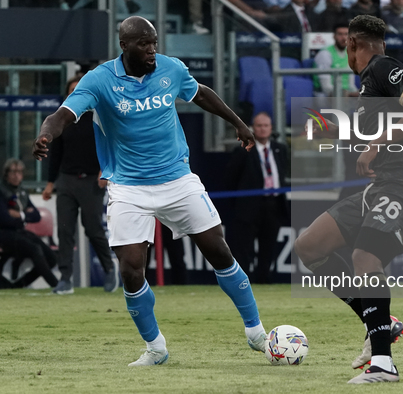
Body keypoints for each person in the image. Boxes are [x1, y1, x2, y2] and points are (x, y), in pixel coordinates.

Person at [33, 16, 267, 367]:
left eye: (154, 43)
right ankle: (155, 347)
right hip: (129, 187)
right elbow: (62, 115)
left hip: (177, 178)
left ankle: (256, 332)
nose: (152, 51)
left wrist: (238, 123)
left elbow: (200, 93)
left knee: (218, 249)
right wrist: (46, 134)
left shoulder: (170, 69)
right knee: (130, 269)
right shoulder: (99, 81)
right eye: (144, 44)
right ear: (124, 45)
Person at [294, 15, 403, 384]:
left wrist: (375, 146)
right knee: (309, 247)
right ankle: (379, 322)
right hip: (383, 185)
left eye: (347, 47)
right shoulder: (369, 83)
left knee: (365, 258)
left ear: (352, 45)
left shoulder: (383, 67)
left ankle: (384, 364)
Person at [42, 74, 118, 295]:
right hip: (66, 180)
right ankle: (65, 279)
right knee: (65, 231)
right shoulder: (62, 121)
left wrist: (106, 171)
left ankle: (109, 270)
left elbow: (111, 145)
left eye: (79, 90)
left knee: (93, 228)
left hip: (91, 180)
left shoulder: (98, 117)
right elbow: (55, 154)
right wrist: (49, 183)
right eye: (71, 90)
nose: (75, 94)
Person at [225, 112, 288, 284]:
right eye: (259, 125)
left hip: (273, 204)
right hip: (249, 206)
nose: (262, 129)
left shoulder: (280, 149)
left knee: (269, 246)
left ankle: (264, 280)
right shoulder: (242, 151)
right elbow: (231, 179)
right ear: (253, 128)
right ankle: (244, 283)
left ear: (271, 128)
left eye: (266, 125)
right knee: (244, 247)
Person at [0, 159, 59, 289]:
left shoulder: (22, 192)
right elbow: (5, 219)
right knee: (34, 248)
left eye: (20, 172)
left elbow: (36, 216)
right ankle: (56, 285)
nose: (17, 175)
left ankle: (19, 285)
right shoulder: (2, 191)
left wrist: (21, 215)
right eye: (14, 172)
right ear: (6, 174)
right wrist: (26, 215)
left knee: (52, 258)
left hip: (19, 231)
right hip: (4, 233)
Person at [313, 22, 359, 96]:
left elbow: (350, 85)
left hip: (345, 96)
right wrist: (347, 95)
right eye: (340, 34)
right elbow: (326, 88)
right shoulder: (325, 54)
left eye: (346, 34)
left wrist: (357, 94)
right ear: (334, 36)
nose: (343, 38)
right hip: (326, 96)